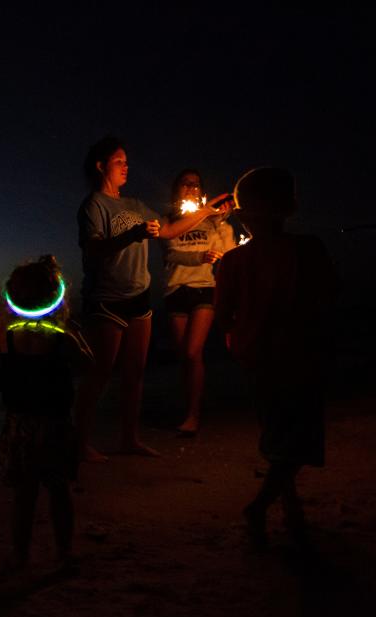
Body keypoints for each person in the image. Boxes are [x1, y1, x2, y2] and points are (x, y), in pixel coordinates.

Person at [75, 136, 226, 460]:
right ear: (101, 166)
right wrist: (133, 234)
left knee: (135, 371)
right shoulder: (94, 205)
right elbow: (94, 250)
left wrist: (207, 211)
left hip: (139, 295)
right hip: (106, 297)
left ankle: (129, 439)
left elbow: (170, 229)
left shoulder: (135, 204)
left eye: (127, 161)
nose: (126, 166)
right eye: (119, 161)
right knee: (101, 371)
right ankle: (78, 441)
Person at [215, 167, 337, 550]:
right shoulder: (309, 249)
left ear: (242, 214)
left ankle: (291, 507)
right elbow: (329, 297)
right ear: (289, 209)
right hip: (299, 355)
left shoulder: (232, 262)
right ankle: (260, 506)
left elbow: (222, 315)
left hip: (258, 358)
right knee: (297, 437)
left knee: (278, 434)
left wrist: (238, 336)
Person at [0, 256, 93, 569]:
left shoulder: (8, 338)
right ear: (57, 296)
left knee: (24, 497)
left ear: (13, 298)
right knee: (59, 493)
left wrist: (5, 317)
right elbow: (89, 362)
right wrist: (69, 325)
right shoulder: (63, 339)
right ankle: (65, 551)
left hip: (20, 427)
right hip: (56, 425)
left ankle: (21, 555)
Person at [161, 169, 237, 436]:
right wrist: (200, 257)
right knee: (185, 357)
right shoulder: (171, 222)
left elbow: (230, 254)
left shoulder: (213, 222)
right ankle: (191, 406)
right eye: (186, 184)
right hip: (175, 290)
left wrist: (224, 223)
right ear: (176, 190)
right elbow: (172, 254)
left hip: (204, 289)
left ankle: (194, 415)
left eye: (196, 184)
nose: (191, 188)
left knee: (194, 352)